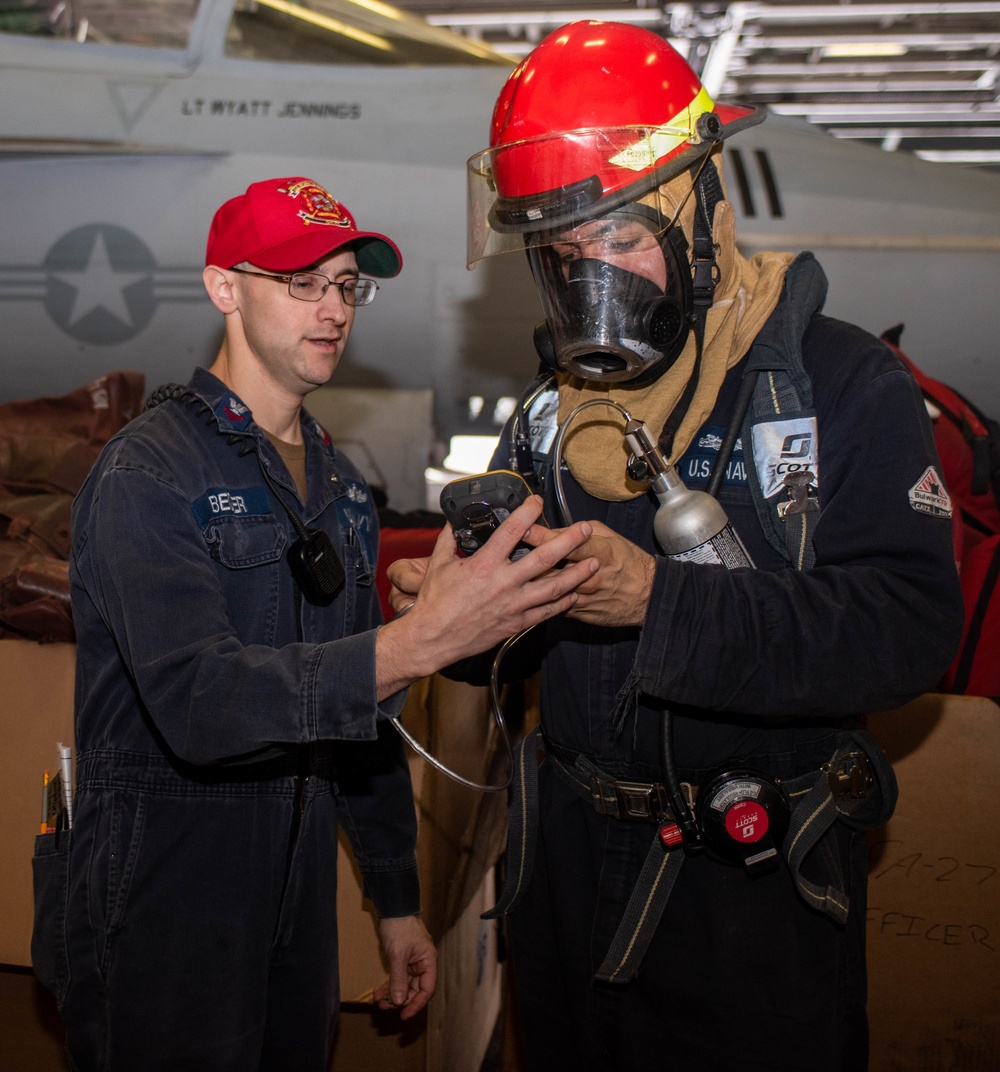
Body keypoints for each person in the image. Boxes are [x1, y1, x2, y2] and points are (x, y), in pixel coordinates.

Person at [388, 24, 966, 1072]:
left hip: (748, 894)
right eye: (557, 253)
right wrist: (466, 616)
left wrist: (664, 601)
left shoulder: (839, 386)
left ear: (699, 212)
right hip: (561, 879)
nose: (585, 281)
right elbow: (527, 650)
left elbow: (908, 627)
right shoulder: (551, 417)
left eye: (616, 237)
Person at [40, 175, 598, 1072]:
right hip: (163, 896)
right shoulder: (149, 474)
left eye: (346, 285)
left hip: (291, 898)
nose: (333, 307)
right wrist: (414, 644)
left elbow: (359, 723)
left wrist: (395, 899)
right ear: (225, 288)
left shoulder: (337, 489)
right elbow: (200, 703)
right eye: (301, 281)